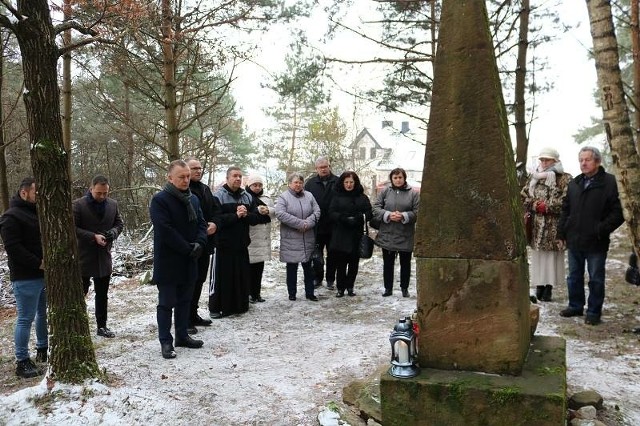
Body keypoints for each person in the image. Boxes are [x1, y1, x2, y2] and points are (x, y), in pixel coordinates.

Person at [557, 146, 624, 325]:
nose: (583, 163)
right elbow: (566, 209)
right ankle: (575, 306)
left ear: (597, 161)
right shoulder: (574, 183)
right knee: (574, 276)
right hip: (575, 239)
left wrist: (600, 229)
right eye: (581, 160)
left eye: (587, 160)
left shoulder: (610, 182)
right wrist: (562, 232)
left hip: (596, 241)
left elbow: (619, 212)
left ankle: (594, 311)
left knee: (595, 278)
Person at [150, 160, 208, 359]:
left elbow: (202, 224)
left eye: (187, 176)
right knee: (166, 303)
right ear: (170, 178)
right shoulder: (160, 200)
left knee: (185, 300)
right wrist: (187, 248)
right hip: (169, 260)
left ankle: (182, 335)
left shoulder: (193, 199)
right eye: (181, 177)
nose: (185, 180)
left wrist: (200, 243)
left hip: (190, 258)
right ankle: (165, 341)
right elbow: (165, 230)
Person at [0, 177, 48, 378]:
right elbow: (13, 248)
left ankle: (42, 349)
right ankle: (22, 361)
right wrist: (37, 262)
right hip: (25, 277)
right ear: (24, 193)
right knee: (25, 318)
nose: (39, 196)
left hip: (42, 275)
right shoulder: (11, 216)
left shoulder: (37, 213)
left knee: (42, 314)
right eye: (36, 192)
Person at [209, 167, 266, 319]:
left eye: (240, 176)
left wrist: (246, 214)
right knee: (223, 278)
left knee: (241, 277)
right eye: (234, 176)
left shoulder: (247, 197)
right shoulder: (218, 196)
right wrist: (235, 215)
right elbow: (216, 220)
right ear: (227, 178)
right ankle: (217, 308)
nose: (238, 179)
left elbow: (257, 219)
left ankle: (240, 306)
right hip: (223, 245)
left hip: (241, 245)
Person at [73, 175, 124, 338]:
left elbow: (119, 224)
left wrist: (113, 233)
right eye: (99, 193)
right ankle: (77, 326)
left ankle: (102, 326)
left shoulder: (113, 204)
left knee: (102, 294)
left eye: (105, 193)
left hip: (104, 257)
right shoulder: (78, 205)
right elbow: (71, 228)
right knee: (80, 293)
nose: (102, 196)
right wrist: (92, 236)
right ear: (91, 189)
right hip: (83, 257)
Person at [520, 148, 572, 302]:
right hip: (536, 224)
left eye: (547, 160)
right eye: (542, 159)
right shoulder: (533, 177)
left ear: (555, 161)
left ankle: (548, 287)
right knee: (538, 257)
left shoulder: (564, 178)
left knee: (551, 257)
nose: (544, 163)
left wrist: (548, 206)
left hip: (553, 225)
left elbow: (566, 200)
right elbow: (524, 195)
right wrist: (536, 205)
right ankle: (539, 286)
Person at [372, 168, 419, 298]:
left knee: (405, 264)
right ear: (391, 179)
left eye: (400, 178)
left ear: (404, 178)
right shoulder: (385, 191)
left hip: (405, 234)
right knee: (388, 264)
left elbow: (417, 211)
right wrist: (388, 215)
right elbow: (376, 208)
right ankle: (388, 288)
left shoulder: (413, 194)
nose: (398, 180)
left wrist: (404, 216)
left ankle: (404, 288)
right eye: (395, 178)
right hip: (388, 234)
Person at [276, 172, 321, 301]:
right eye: (295, 182)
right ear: (290, 184)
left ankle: (310, 293)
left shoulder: (309, 195)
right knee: (291, 268)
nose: (298, 185)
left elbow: (317, 211)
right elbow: (280, 214)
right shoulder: (283, 197)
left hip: (307, 238)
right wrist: (300, 224)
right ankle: (292, 293)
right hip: (291, 239)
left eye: (300, 182)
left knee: (309, 268)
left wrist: (308, 223)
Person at [328, 171, 372, 297]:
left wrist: (359, 217)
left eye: (351, 182)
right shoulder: (336, 196)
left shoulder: (362, 197)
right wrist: (342, 218)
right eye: (346, 182)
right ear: (342, 183)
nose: (348, 185)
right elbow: (331, 212)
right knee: (341, 264)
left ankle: (350, 286)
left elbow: (369, 212)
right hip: (341, 234)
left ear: (355, 183)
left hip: (356, 234)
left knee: (353, 264)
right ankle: (340, 288)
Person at [185, 157, 216, 333]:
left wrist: (215, 224)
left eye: (200, 168)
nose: (198, 171)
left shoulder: (205, 189)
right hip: (190, 244)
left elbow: (215, 211)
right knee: (189, 281)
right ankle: (185, 318)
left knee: (199, 280)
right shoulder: (184, 190)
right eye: (194, 168)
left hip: (206, 243)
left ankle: (193, 313)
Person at [304, 157, 339, 289]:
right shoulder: (310, 183)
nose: (323, 169)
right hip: (316, 226)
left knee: (333, 254)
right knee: (316, 255)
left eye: (326, 166)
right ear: (316, 169)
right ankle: (317, 278)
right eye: (321, 167)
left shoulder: (337, 181)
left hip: (334, 226)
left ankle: (330, 279)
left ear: (329, 166)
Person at [245, 174, 275, 303]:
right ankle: (248, 293)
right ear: (249, 186)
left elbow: (275, 211)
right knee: (249, 269)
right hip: (251, 236)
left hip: (262, 238)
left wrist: (267, 210)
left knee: (259, 268)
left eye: (259, 185)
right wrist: (257, 211)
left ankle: (257, 293)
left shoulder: (266, 198)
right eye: (254, 185)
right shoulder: (246, 197)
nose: (257, 187)